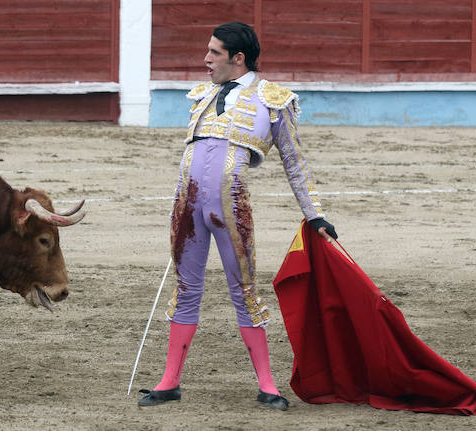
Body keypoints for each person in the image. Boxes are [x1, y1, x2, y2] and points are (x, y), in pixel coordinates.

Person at [137, 22, 337, 410]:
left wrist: (315, 215)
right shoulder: (202, 95)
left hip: (231, 205)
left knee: (244, 291)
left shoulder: (273, 100)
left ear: (237, 58)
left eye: (213, 52)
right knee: (186, 290)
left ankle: (268, 385)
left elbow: (295, 163)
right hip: (186, 204)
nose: (205, 59)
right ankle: (169, 381)